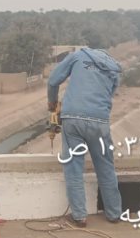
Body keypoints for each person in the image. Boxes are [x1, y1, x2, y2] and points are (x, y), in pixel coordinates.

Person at [48, 46, 123, 227]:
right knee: (105, 166)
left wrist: (52, 102)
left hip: (73, 118)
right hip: (100, 121)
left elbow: (52, 81)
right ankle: (114, 213)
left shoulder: (78, 56)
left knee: (73, 167)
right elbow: (110, 94)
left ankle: (80, 216)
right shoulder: (114, 67)